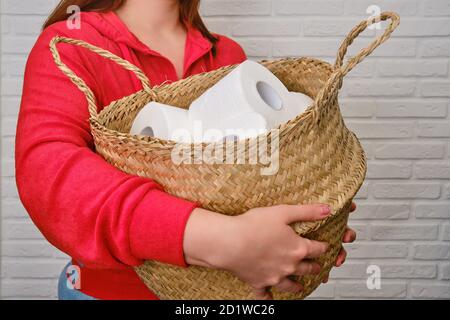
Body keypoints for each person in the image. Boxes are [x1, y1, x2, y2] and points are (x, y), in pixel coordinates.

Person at [16, 0, 357, 300]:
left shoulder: (227, 57)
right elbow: (48, 176)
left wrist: (304, 227)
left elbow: (250, 182)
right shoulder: (71, 44)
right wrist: (222, 240)